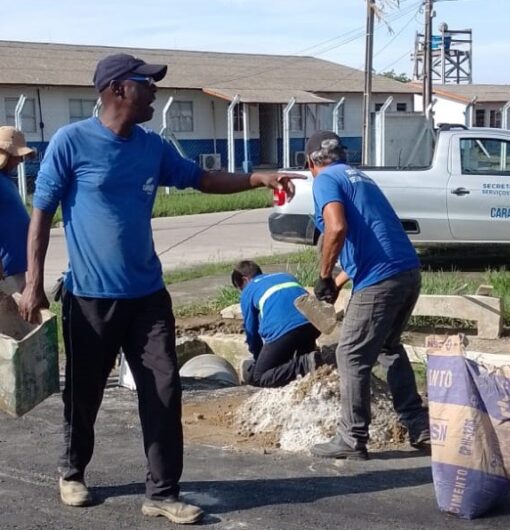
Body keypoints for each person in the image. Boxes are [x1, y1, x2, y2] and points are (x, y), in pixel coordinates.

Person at [18, 53, 302, 526]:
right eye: (145, 84)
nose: (154, 92)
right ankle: (72, 472)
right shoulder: (72, 143)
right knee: (84, 393)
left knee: (164, 390)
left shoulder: (153, 147)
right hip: (90, 298)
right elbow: (41, 216)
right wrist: (32, 284)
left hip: (148, 296)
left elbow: (202, 178)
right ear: (116, 90)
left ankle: (163, 491)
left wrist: (258, 176)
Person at [306, 131, 430, 461]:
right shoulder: (361, 178)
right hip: (407, 271)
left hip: (381, 279)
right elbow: (372, 239)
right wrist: (338, 282)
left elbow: (336, 228)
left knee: (351, 354)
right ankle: (419, 426)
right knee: (388, 347)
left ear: (310, 163)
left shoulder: (324, 180)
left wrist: (322, 276)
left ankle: (351, 438)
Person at [231, 260, 335, 388]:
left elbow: (251, 331)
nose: (242, 292)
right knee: (300, 357)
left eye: (240, 288)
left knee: (259, 378)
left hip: (286, 330)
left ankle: (304, 364)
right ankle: (309, 360)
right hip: (313, 325)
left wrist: (259, 360)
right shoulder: (285, 276)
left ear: (245, 279)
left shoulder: (249, 290)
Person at [0, 126, 35, 295]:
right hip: (4, 271)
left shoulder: (6, 180)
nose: (20, 161)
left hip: (15, 268)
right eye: (17, 156)